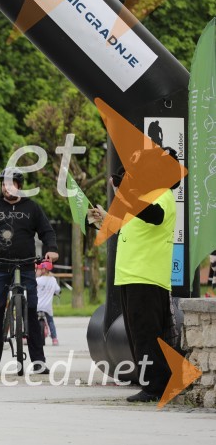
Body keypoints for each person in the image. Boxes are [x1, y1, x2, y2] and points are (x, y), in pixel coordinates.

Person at [88, 147, 181, 402]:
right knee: (138, 333)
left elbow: (154, 216)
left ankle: (156, 387)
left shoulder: (162, 195)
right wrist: (102, 218)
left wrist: (124, 193)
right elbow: (127, 227)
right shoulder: (147, 197)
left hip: (146, 276)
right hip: (131, 275)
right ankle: (155, 382)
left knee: (146, 334)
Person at [0, 169, 58, 376]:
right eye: (4, 184)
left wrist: (52, 249)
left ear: (19, 186)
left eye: (11, 184)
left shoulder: (32, 208)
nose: (6, 187)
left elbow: (46, 231)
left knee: (32, 310)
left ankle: (38, 361)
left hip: (27, 265)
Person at [35, 261, 60, 346]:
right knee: (50, 321)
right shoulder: (53, 280)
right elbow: (58, 290)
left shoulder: (38, 280)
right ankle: (54, 338)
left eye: (41, 268)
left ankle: (26, 337)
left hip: (37, 306)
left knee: (32, 319)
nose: (40, 270)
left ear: (44, 269)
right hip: (47, 307)